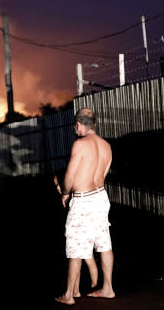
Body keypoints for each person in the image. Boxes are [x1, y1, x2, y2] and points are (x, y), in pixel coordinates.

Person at [55, 108, 115, 305]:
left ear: (79, 125)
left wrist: (65, 192)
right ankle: (107, 288)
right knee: (104, 244)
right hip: (101, 197)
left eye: (75, 127)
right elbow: (103, 175)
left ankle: (69, 295)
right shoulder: (106, 146)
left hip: (83, 200)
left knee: (76, 247)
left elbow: (71, 175)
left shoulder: (80, 144)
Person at [54, 174, 99, 295]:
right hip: (85, 231)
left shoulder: (73, 197)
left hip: (80, 233)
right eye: (56, 186)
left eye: (58, 185)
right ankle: (77, 290)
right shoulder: (75, 195)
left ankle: (93, 286)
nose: (57, 188)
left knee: (82, 260)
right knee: (83, 261)